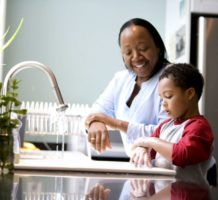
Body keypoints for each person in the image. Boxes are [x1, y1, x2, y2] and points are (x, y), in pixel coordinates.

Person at [85, 18, 170, 155]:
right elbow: (96, 110)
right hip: (142, 167)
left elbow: (166, 132)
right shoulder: (121, 79)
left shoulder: (172, 79)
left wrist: (115, 124)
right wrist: (95, 123)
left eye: (143, 49)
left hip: (173, 169)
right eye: (128, 52)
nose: (136, 57)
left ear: (158, 47)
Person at [130, 63, 216, 185]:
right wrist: (142, 149)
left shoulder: (199, 127)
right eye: (161, 98)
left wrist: (148, 141)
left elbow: (181, 155)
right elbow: (149, 150)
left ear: (190, 94)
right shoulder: (164, 126)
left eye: (168, 96)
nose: (163, 104)